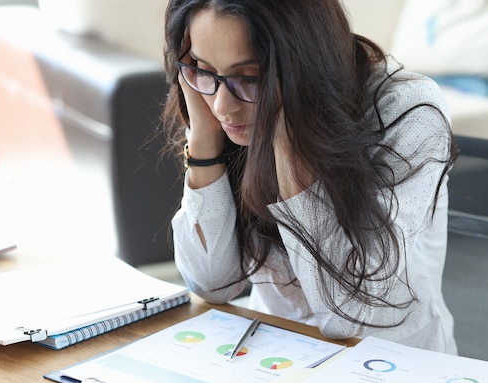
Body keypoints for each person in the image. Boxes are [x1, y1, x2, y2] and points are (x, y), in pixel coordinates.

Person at [162, 0, 459, 353]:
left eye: (250, 77)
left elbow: (348, 318)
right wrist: (204, 139)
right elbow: (211, 284)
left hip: (392, 364)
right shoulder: (217, 102)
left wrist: (288, 144)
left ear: (304, 65)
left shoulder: (405, 110)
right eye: (203, 69)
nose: (223, 106)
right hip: (273, 354)